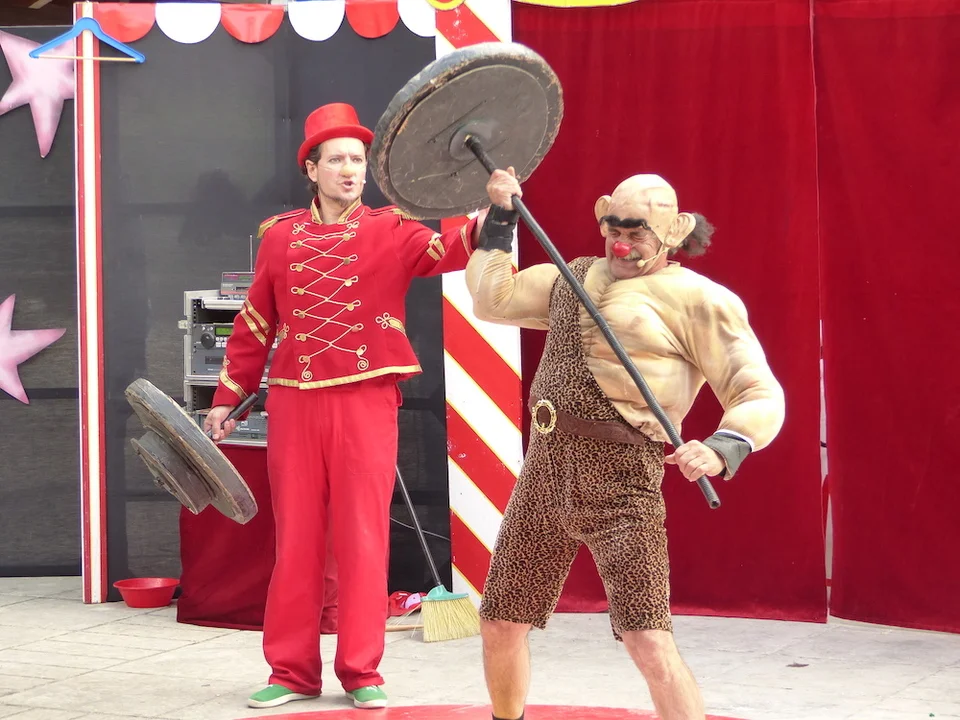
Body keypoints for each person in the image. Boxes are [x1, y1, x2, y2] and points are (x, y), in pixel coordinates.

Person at [466, 170, 786, 720]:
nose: (621, 245)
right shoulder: (571, 276)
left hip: (622, 479)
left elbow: (757, 389)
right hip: (545, 470)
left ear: (673, 232)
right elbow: (493, 300)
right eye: (614, 230)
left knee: (647, 638)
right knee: (501, 620)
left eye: (637, 234)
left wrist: (724, 446)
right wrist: (500, 217)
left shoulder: (700, 300)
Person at [204, 102, 494, 710]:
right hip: (295, 402)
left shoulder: (393, 228)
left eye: (357, 160)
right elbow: (255, 324)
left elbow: (450, 249)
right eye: (336, 160)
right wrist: (228, 399)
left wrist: (495, 214)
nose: (349, 170)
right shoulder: (279, 236)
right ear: (311, 169)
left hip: (366, 399)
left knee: (363, 537)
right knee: (297, 541)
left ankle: (361, 668)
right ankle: (291, 671)